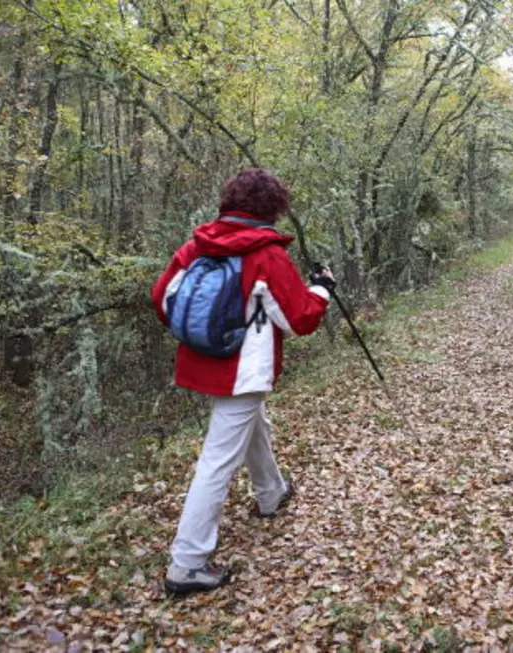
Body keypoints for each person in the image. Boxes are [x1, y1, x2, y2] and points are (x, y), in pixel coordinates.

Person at [150, 168, 334, 595]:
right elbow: (301, 318)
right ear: (274, 209)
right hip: (243, 371)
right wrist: (322, 288)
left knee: (254, 426)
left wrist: (205, 335)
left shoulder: (196, 246)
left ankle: (271, 493)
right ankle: (187, 563)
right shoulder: (266, 254)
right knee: (218, 459)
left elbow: (161, 298)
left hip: (201, 361)